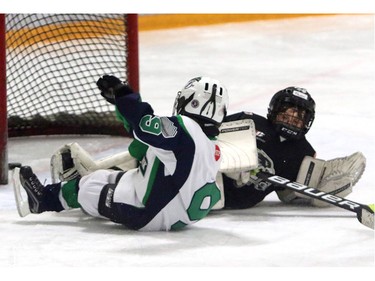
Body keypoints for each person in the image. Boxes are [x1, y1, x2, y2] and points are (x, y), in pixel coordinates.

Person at [15, 75, 229, 231]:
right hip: (174, 210)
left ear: (189, 101)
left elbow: (145, 126)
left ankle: (44, 200)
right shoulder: (211, 146)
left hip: (149, 213)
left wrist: (124, 96)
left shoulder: (186, 128)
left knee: (88, 188)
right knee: (101, 177)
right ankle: (67, 193)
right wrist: (122, 107)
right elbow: (144, 141)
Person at [221, 86, 317, 209]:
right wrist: (225, 159)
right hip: (208, 188)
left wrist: (319, 184)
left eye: (299, 117)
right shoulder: (246, 121)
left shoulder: (304, 152)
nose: (292, 118)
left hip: (240, 206)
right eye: (286, 114)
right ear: (274, 111)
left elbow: (287, 194)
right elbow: (208, 138)